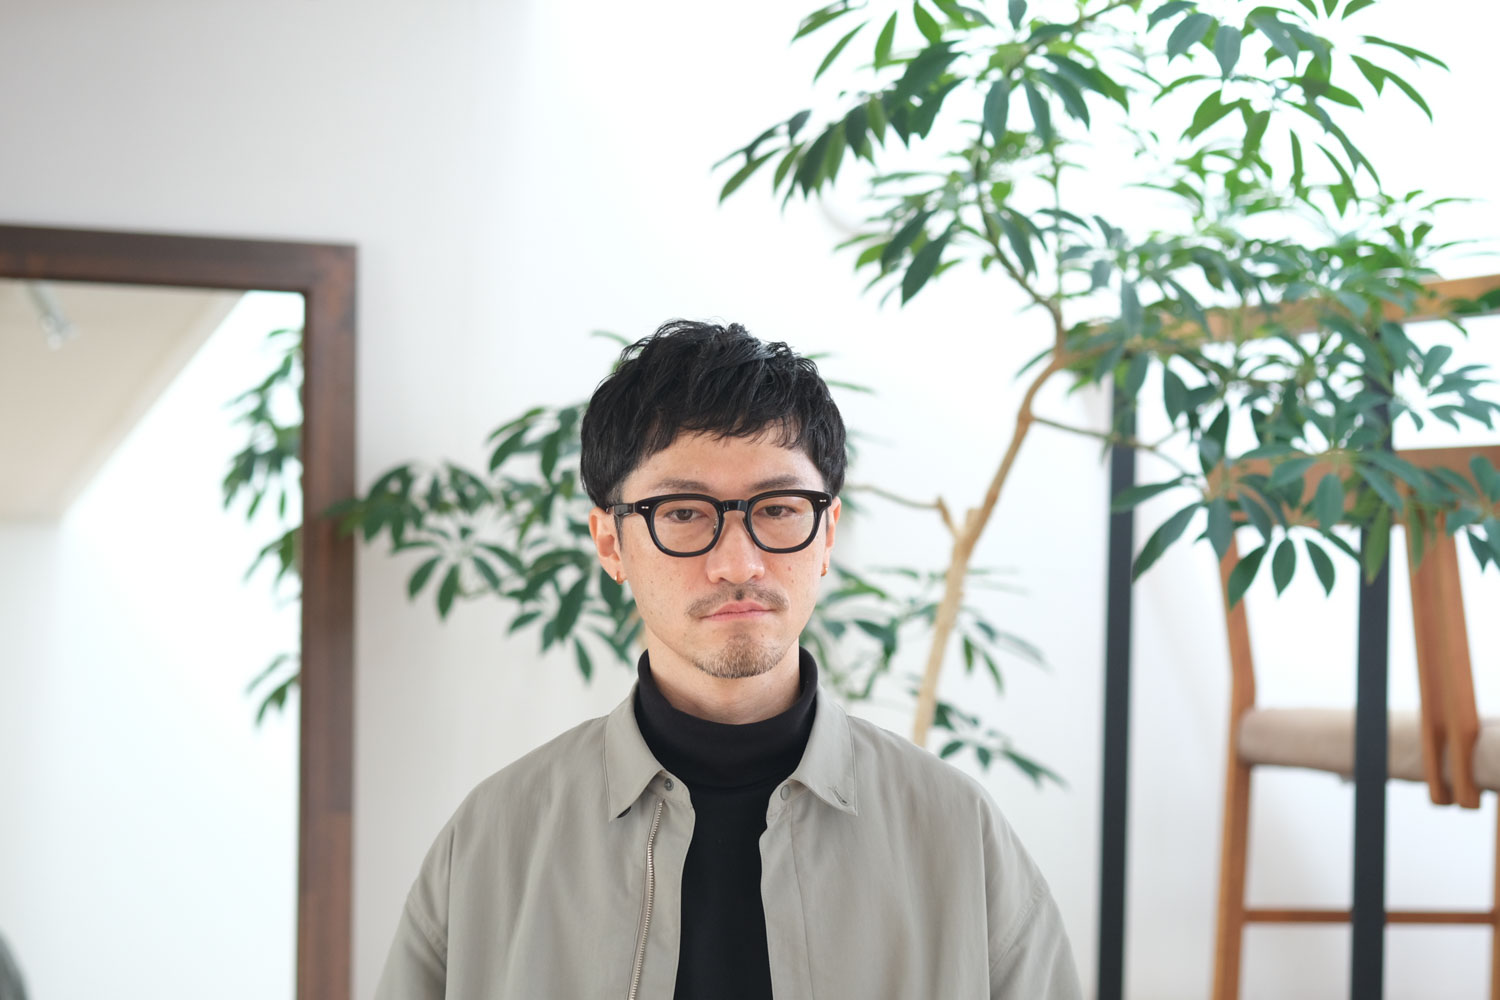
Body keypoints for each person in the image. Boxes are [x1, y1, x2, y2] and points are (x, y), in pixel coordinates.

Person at [374, 320, 1081, 999]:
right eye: (683, 513)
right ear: (611, 544)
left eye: (778, 508)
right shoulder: (495, 839)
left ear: (827, 533)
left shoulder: (957, 834)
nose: (738, 564)